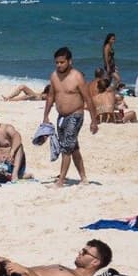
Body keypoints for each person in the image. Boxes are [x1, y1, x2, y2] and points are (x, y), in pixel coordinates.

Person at [43, 47, 98, 187]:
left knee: (66, 147)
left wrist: (94, 121)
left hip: (76, 115)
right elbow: (50, 96)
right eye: (56, 62)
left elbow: (88, 99)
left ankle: (61, 181)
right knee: (73, 148)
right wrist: (46, 116)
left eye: (62, 62)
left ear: (69, 61)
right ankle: (84, 178)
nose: (59, 65)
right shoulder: (54, 76)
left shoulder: (77, 77)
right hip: (61, 116)